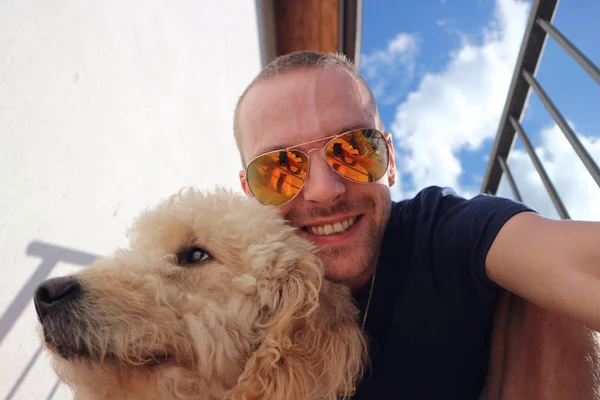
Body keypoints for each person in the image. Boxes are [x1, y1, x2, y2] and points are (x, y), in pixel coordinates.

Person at [232, 50, 600, 399]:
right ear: (251, 195)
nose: (325, 191)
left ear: (389, 161)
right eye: (279, 170)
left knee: (541, 290)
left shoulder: (440, 231)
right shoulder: (228, 290)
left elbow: (576, 264)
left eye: (354, 149)